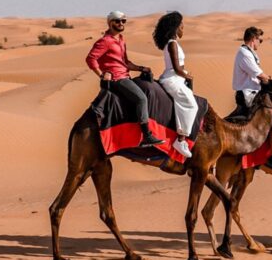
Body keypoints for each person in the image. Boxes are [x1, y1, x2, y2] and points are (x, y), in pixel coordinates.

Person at [85, 11, 164, 147]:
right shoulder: (105, 41)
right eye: (117, 21)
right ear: (110, 23)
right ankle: (147, 135)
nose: (121, 24)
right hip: (117, 79)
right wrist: (101, 75)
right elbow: (90, 58)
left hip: (125, 75)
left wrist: (141, 68)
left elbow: (125, 62)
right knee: (142, 99)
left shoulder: (121, 39)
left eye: (123, 21)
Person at [233, 27, 272, 173]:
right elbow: (260, 75)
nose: (260, 43)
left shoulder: (249, 53)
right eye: (260, 40)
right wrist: (269, 79)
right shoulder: (244, 54)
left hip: (254, 92)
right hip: (248, 95)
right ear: (253, 39)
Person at [152, 11, 198, 158]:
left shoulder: (173, 44)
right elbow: (177, 69)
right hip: (172, 79)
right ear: (176, 27)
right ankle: (181, 139)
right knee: (191, 105)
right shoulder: (172, 44)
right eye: (182, 27)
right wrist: (187, 75)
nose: (183, 29)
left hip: (176, 78)